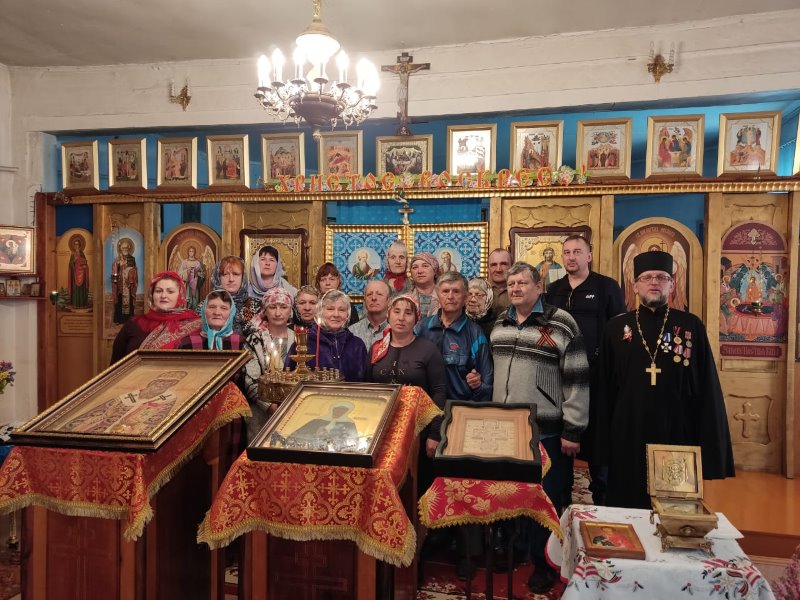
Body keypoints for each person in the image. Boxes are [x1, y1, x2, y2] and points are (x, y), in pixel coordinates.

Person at [596, 250, 735, 510]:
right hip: (627, 430)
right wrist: (600, 445)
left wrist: (710, 444)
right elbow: (603, 389)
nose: (654, 282)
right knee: (626, 505)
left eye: (662, 277)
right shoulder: (615, 328)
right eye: (647, 277)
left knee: (675, 507)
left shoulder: (691, 326)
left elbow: (707, 387)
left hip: (676, 430)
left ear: (672, 285)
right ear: (635, 285)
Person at [491, 261, 589, 593]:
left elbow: (577, 377)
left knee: (545, 500)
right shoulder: (500, 324)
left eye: (523, 283)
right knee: (511, 494)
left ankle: (545, 562)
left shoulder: (561, 323)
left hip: (545, 429)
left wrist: (573, 428)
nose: (516, 288)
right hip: (506, 430)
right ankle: (516, 550)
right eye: (511, 284)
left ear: (538, 287)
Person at [545, 235, 626, 506]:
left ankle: (603, 499)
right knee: (563, 439)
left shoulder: (606, 287)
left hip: (597, 376)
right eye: (567, 252)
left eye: (577, 251)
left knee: (598, 441)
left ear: (588, 256)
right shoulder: (554, 289)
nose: (571, 257)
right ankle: (562, 499)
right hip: (560, 376)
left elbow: (620, 331)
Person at [243, 287, 297, 440]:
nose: (278, 313)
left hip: (295, 412)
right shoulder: (254, 340)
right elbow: (250, 380)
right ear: (265, 311)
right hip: (262, 417)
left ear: (290, 310)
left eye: (283, 307)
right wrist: (271, 408)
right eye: (273, 307)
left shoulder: (300, 339)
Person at [111, 271, 201, 363]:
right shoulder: (133, 324)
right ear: (152, 294)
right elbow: (116, 365)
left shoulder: (195, 325)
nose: (163, 296)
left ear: (180, 295)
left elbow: (199, 363)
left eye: (170, 291)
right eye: (158, 291)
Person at [61, 370, 188, 435]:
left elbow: (155, 421)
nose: (160, 386)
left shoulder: (167, 400)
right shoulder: (128, 396)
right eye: (158, 383)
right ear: (151, 383)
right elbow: (99, 411)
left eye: (166, 384)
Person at [286, 290, 368, 382]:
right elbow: (288, 379)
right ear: (320, 312)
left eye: (341, 310)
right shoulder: (303, 343)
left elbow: (365, 382)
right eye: (330, 309)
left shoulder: (357, 345)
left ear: (347, 315)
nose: (336, 314)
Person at [242, 245, 297, 323]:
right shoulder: (244, 289)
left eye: (272, 260)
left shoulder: (288, 290)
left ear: (278, 265)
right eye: (263, 259)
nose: (267, 263)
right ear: (256, 263)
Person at [177, 290, 244, 351]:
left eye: (224, 308)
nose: (217, 313)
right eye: (212, 307)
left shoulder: (241, 343)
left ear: (231, 313)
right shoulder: (187, 343)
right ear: (204, 311)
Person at [284, 401, 359, 451]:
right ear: (332, 409)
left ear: (347, 412)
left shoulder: (349, 423)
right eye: (337, 409)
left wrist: (333, 438)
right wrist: (316, 433)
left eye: (343, 410)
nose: (339, 412)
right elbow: (297, 435)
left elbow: (353, 441)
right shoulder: (317, 421)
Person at [204, 255, 248, 333]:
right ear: (218, 277)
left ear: (243, 277)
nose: (231, 279)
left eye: (236, 274)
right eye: (225, 274)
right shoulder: (205, 306)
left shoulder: (255, 307)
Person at [349, 279, 391, 350]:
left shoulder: (396, 331)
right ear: (364, 300)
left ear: (388, 300)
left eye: (379, 294)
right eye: (369, 294)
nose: (374, 298)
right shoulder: (352, 331)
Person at [111, 237, 138, 324]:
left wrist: (131, 278)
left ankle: (129, 320)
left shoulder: (131, 259)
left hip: (128, 284)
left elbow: (134, 270)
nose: (125, 249)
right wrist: (115, 279)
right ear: (120, 249)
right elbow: (114, 271)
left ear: (129, 248)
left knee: (129, 301)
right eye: (123, 248)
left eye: (126, 248)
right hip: (120, 284)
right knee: (119, 301)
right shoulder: (118, 259)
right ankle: (119, 319)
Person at [409, 252, 440, 318]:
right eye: (415, 267)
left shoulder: (445, 296)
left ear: (434, 270)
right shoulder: (405, 298)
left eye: (425, 266)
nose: (420, 271)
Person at [178, 245, 206, 312]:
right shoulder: (184, 262)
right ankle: (187, 311)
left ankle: (195, 311)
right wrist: (187, 271)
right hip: (187, 284)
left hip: (195, 284)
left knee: (195, 299)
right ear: (188, 252)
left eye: (192, 251)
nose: (191, 253)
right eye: (190, 251)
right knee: (187, 298)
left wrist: (198, 274)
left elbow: (202, 274)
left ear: (194, 252)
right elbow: (179, 273)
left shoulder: (197, 262)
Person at [68, 234, 90, 309]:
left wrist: (85, 266)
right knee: (76, 289)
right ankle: (76, 304)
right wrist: (74, 261)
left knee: (82, 289)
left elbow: (85, 262)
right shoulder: (72, 254)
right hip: (75, 274)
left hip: (82, 274)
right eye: (75, 244)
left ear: (80, 245)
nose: (76, 246)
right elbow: (70, 264)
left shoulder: (82, 253)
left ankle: (82, 304)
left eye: (77, 244)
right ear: (73, 245)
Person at [487, 248, 512, 314]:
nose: (498, 269)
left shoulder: (520, 292)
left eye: (503, 264)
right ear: (488, 269)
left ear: (512, 267)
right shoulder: (476, 291)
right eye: (494, 265)